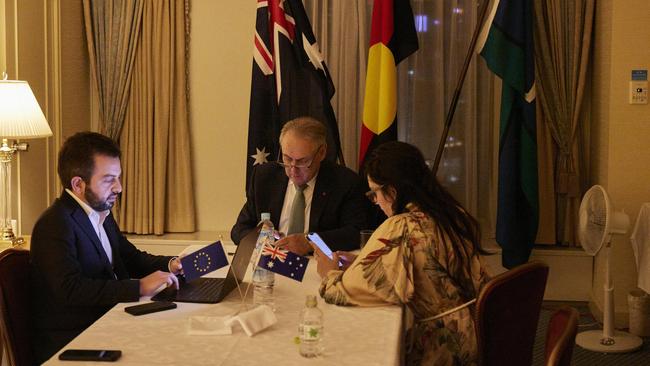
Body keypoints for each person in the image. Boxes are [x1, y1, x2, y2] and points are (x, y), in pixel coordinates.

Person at [313, 141, 491, 366]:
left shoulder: (401, 228)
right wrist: (365, 260)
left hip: (445, 347)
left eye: (375, 193)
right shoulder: (449, 212)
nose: (376, 202)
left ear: (393, 191)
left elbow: (347, 292)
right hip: (482, 328)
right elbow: (420, 258)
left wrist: (329, 274)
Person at [30, 132, 182, 363]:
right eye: (109, 179)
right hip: (75, 342)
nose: (119, 188)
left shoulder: (101, 213)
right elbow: (71, 289)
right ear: (78, 184)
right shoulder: (55, 224)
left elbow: (131, 258)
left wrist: (171, 264)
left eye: (118, 178)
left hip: (110, 321)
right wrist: (138, 288)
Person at [231, 116, 369, 255]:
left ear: (321, 152)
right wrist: (261, 239)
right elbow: (239, 230)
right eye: (287, 158)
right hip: (272, 263)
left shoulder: (345, 182)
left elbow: (356, 233)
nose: (292, 169)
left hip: (317, 265)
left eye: (302, 161)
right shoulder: (265, 177)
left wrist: (311, 242)